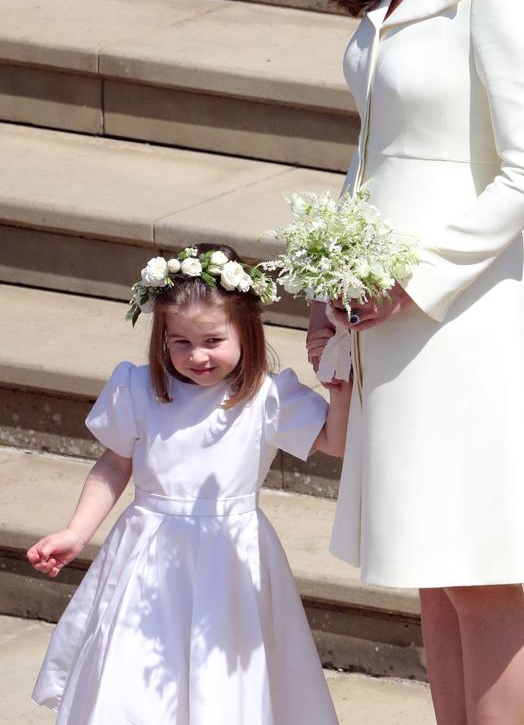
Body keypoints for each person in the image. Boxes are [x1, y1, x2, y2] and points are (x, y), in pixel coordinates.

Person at [307, 0, 524, 723]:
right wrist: (335, 280)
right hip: (379, 315)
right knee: (429, 561)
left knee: (477, 566)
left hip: (454, 316)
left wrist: (409, 278)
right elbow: (371, 150)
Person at [28, 243, 349, 725]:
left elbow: (335, 441)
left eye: (213, 340)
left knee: (224, 676)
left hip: (232, 557)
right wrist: (77, 531)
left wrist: (339, 386)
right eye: (181, 342)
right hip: (147, 555)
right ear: (162, 338)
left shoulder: (266, 396)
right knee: (134, 675)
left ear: (247, 331)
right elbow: (116, 465)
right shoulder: (138, 389)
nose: (197, 356)